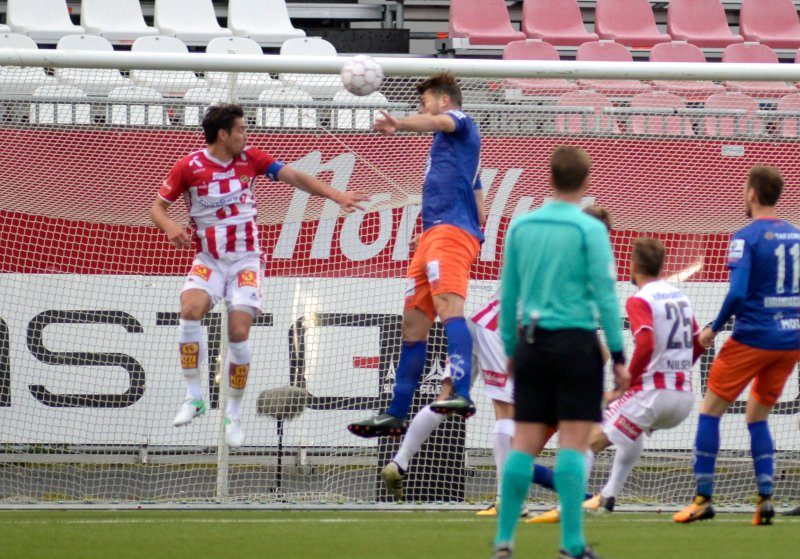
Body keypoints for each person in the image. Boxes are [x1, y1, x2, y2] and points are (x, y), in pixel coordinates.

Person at [151, 103, 368, 448]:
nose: (245, 134)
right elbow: (157, 207)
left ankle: (232, 415)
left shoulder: (251, 158)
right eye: (240, 129)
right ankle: (194, 398)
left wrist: (336, 194)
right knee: (190, 311)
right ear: (223, 134)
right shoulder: (189, 167)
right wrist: (169, 226)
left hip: (245, 263)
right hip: (208, 259)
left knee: (238, 332)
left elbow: (295, 176)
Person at [380, 206, 613, 512]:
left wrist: (429, 243)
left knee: (446, 397)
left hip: (480, 322)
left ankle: (400, 461)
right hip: (502, 332)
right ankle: (506, 502)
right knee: (507, 414)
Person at [491, 146, 627, 559]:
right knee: (572, 444)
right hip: (577, 345)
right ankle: (571, 544)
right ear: (586, 183)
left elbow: (508, 295)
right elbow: (605, 296)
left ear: (549, 179)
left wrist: (512, 349)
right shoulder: (590, 231)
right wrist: (619, 357)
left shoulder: (522, 227)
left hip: (532, 343)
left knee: (523, 443)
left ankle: (503, 541)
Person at [528, 237, 705, 524]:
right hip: (682, 398)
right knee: (627, 432)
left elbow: (646, 342)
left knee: (585, 441)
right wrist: (679, 372)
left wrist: (626, 382)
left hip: (651, 394)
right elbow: (698, 342)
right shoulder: (680, 296)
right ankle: (608, 496)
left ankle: (568, 508)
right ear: (661, 265)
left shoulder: (639, 299)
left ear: (633, 266)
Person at [348, 71, 485, 438]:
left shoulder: (459, 120)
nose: (423, 109)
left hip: (450, 235)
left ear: (443, 100)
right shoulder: (454, 152)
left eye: (425, 102)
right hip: (433, 236)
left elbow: (438, 120)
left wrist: (400, 123)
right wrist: (472, 229)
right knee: (413, 325)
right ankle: (396, 412)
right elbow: (478, 196)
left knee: (448, 310)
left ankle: (460, 391)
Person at [673, 166, 800, 525]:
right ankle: (765, 501)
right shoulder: (797, 235)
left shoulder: (744, 237)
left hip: (753, 336)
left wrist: (713, 329)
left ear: (752, 194)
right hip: (790, 338)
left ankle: (702, 498)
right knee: (757, 417)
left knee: (711, 409)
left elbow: (738, 292)